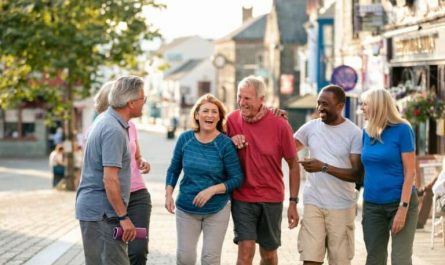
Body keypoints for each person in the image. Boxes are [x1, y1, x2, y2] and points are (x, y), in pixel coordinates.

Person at [227, 75, 299, 265]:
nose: (241, 102)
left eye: (247, 98)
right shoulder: (231, 121)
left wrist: (293, 202)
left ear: (262, 99)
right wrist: (230, 141)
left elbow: (293, 165)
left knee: (268, 254)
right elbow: (211, 141)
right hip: (243, 198)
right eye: (239, 97)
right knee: (246, 250)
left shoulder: (280, 124)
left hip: (271, 198)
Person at [165, 94, 244, 265]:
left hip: (217, 209)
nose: (210, 115)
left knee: (210, 259)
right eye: (205, 111)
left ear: (219, 117)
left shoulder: (224, 144)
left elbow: (237, 178)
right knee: (185, 258)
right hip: (186, 208)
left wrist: (212, 190)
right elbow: (174, 168)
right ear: (196, 115)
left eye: (214, 112)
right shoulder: (185, 139)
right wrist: (168, 194)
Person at [75, 76, 146, 265]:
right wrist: (123, 217)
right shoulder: (113, 129)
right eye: (143, 99)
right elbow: (110, 180)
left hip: (99, 212)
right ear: (131, 103)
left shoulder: (109, 122)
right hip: (102, 215)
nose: (144, 103)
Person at [294, 85, 362, 265]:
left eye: (325, 104)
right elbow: (286, 147)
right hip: (313, 201)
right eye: (318, 103)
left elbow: (356, 174)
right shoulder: (311, 127)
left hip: (341, 204)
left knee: (339, 261)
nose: (320, 108)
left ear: (340, 106)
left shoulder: (354, 133)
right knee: (310, 259)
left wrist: (323, 167)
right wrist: (278, 122)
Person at [93, 80, 152, 265]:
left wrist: (141, 162)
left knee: (138, 250)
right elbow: (101, 171)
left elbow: (136, 155)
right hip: (113, 196)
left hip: (137, 193)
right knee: (114, 252)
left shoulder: (130, 126)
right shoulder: (105, 128)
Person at [360, 88, 418, 265]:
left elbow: (411, 172)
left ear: (377, 106)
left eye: (365, 104)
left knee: (400, 259)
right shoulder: (366, 132)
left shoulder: (403, 130)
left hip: (400, 203)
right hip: (372, 206)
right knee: (374, 259)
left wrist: (403, 208)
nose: (362, 108)